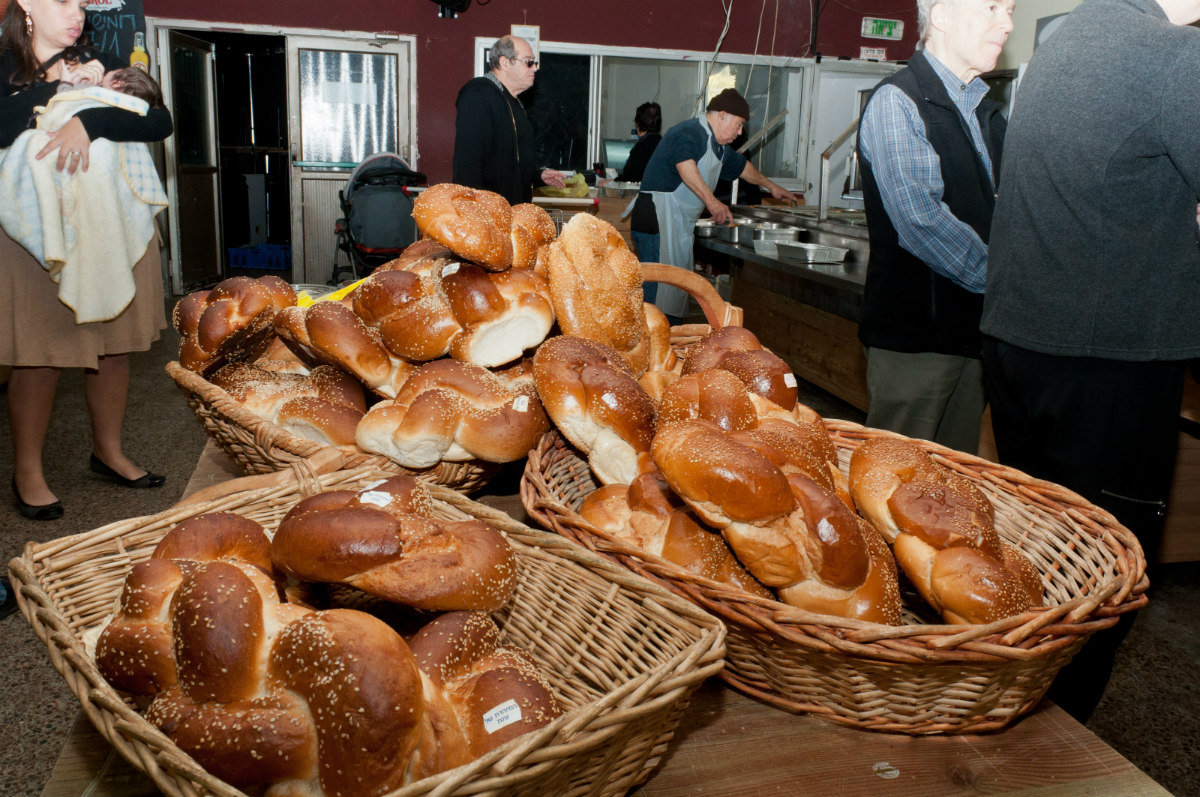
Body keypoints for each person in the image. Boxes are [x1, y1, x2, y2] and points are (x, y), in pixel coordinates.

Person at [979, 0, 1200, 721]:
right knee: (1106, 575)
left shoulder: (1064, 40)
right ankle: (1051, 745)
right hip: (1109, 361)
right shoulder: (1172, 55)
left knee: (1038, 561)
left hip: (1022, 344)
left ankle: (1013, 712)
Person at [1, 0, 173, 521]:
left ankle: (109, 451)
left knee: (113, 347)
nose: (77, 12)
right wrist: (59, 92)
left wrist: (92, 119)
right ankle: (27, 471)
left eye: (81, 2)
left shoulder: (98, 57)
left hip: (111, 225)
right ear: (25, 4)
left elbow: (157, 119)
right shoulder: (6, 64)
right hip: (37, 231)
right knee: (42, 351)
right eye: (63, 0)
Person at [855, 0, 1014, 455]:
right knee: (898, 481)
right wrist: (1004, 281)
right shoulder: (898, 101)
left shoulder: (987, 111)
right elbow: (921, 221)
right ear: (941, 16)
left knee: (953, 480)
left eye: (1011, 10)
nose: (1006, 23)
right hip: (915, 341)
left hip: (973, 332)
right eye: (992, 7)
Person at [630, 88, 798, 323]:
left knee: (677, 290)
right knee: (658, 298)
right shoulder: (691, 132)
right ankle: (648, 354)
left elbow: (743, 168)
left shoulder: (718, 147)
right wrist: (713, 202)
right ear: (721, 116)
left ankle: (668, 351)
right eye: (738, 125)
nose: (740, 133)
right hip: (658, 221)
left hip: (677, 226)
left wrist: (771, 186)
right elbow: (684, 165)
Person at [451, 35, 565, 205]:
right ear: (504, 62)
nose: (534, 68)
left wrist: (537, 176)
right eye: (528, 62)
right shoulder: (479, 95)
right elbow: (467, 165)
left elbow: (509, 162)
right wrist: (471, 214)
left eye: (534, 62)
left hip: (513, 213)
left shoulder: (514, 102)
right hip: (488, 216)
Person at [616, 101, 661, 183]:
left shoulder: (641, 148)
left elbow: (629, 179)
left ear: (638, 124)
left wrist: (612, 182)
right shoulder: (664, 144)